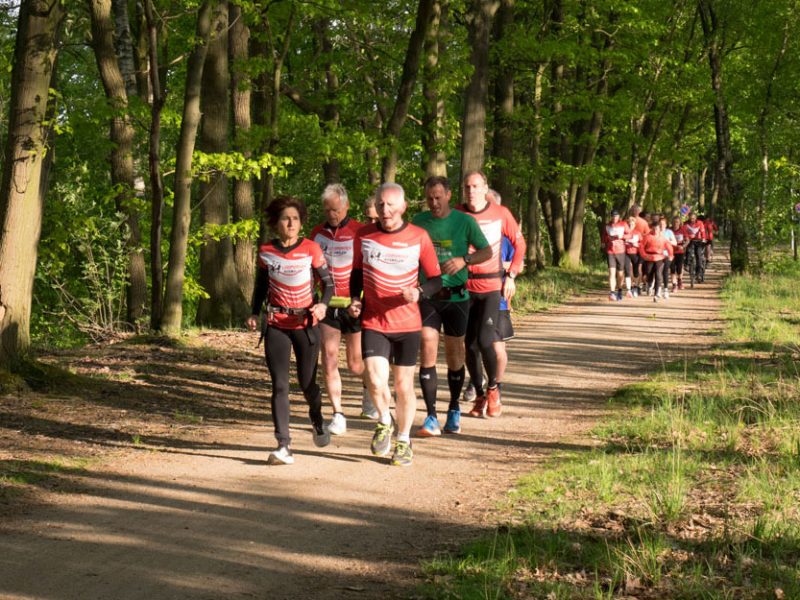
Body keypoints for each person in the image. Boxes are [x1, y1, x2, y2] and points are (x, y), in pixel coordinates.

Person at [348, 183, 442, 466]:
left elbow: (436, 279)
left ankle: (403, 440)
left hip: (407, 323)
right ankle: (384, 421)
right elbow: (356, 272)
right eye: (380, 205)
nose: (385, 210)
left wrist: (419, 293)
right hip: (374, 320)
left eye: (390, 205)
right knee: (375, 381)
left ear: (402, 207)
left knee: (403, 386)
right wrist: (355, 299)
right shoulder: (363, 235)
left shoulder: (418, 236)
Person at [246, 196, 334, 466]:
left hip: (305, 325)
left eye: (295, 218)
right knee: (280, 385)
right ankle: (284, 444)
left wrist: (322, 305)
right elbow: (261, 286)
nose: (291, 223)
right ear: (276, 223)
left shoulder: (311, 249)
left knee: (307, 383)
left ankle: (316, 418)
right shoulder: (266, 251)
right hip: (276, 326)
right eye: (286, 218)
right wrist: (254, 312)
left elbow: (329, 285)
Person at [412, 176, 491, 437]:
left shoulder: (464, 221)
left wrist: (464, 260)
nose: (434, 203)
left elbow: (486, 251)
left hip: (457, 298)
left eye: (438, 197)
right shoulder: (418, 222)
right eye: (429, 198)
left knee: (456, 354)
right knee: (427, 345)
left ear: (448, 195)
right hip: (429, 297)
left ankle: (454, 408)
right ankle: (431, 416)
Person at [458, 172, 526, 419]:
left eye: (476, 186)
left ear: (485, 188)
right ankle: (479, 395)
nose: (471, 191)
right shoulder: (457, 213)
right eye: (467, 187)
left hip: (490, 287)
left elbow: (520, 245)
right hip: (464, 288)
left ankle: (494, 389)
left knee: (486, 341)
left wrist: (512, 275)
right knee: (469, 346)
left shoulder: (500, 213)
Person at [310, 184, 373, 437]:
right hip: (327, 306)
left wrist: (361, 301)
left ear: (346, 206)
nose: (331, 214)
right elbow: (311, 268)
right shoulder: (317, 233)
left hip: (353, 305)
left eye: (335, 209)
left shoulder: (360, 231)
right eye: (327, 210)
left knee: (356, 365)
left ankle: (370, 391)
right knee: (329, 357)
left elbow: (368, 270)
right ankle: (338, 413)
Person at [601, 209, 630, 301]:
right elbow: (604, 237)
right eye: (613, 216)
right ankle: (612, 292)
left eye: (616, 216)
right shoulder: (607, 226)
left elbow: (629, 235)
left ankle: (620, 290)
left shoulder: (624, 224)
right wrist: (604, 241)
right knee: (611, 272)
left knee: (620, 273)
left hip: (620, 251)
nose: (614, 218)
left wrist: (622, 237)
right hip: (610, 251)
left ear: (619, 217)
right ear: (611, 216)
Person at [639, 219, 668, 303]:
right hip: (649, 257)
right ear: (652, 229)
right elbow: (641, 247)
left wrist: (670, 255)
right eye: (654, 229)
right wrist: (644, 255)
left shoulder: (663, 237)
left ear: (659, 229)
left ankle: (656, 293)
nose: (655, 231)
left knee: (659, 275)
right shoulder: (647, 236)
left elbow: (668, 246)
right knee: (649, 273)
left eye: (657, 229)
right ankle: (649, 283)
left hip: (660, 257)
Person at [684, 212, 707, 284]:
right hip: (690, 240)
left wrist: (703, 238)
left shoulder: (700, 223)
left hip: (698, 241)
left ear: (696, 218)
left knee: (699, 256)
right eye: (690, 218)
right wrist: (687, 237)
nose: (692, 220)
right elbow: (684, 232)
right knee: (688, 251)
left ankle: (698, 274)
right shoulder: (685, 224)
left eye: (693, 218)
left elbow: (703, 231)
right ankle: (687, 264)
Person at [624, 214, 642, 297]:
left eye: (632, 224)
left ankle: (636, 286)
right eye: (629, 224)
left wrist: (636, 244)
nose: (631, 225)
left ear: (635, 225)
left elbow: (642, 244)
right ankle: (630, 287)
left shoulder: (638, 233)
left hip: (635, 253)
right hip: (626, 253)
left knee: (636, 271)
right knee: (628, 269)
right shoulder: (625, 232)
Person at [660, 216, 676, 300]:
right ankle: (657, 288)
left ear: (666, 225)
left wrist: (667, 242)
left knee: (665, 271)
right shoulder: (656, 232)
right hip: (657, 255)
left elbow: (675, 242)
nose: (662, 225)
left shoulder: (669, 232)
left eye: (663, 224)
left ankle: (665, 289)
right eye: (660, 224)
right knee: (657, 272)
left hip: (667, 254)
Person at [669, 215, 687, 291]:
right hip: (671, 251)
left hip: (680, 251)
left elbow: (687, 240)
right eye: (674, 222)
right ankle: (674, 284)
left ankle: (680, 281)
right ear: (672, 222)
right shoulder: (669, 230)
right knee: (672, 268)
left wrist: (683, 246)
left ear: (680, 223)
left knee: (679, 268)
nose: (675, 223)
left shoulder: (683, 230)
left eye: (677, 222)